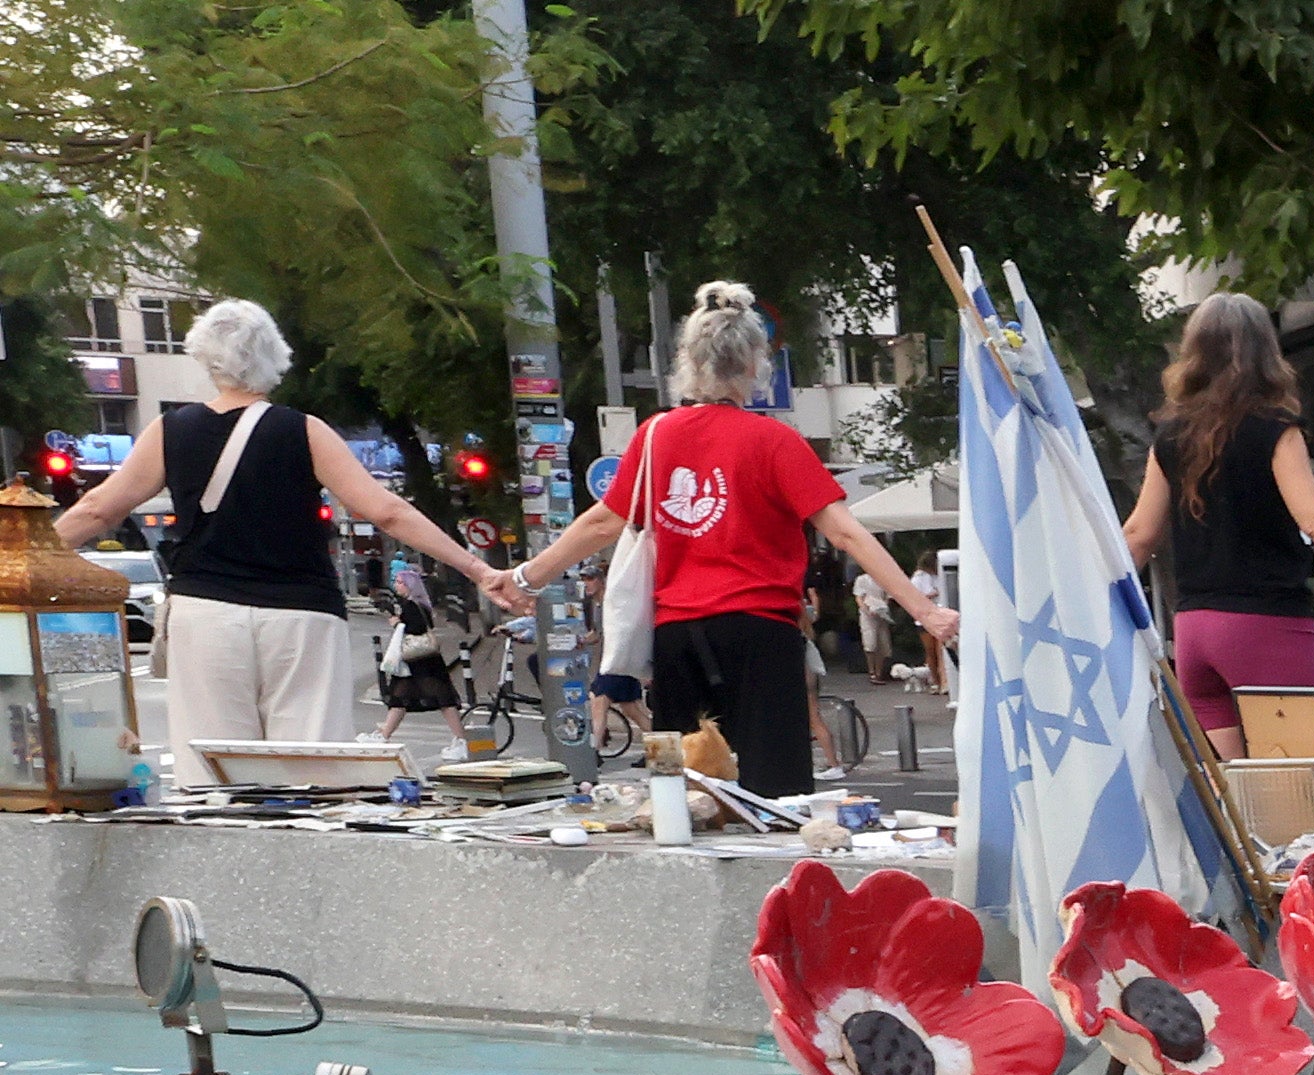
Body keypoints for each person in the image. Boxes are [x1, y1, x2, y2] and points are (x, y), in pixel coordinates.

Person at [56, 300, 529, 788]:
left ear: (204, 357)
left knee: (213, 774)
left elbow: (99, 510)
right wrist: (479, 571)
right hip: (302, 615)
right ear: (275, 359)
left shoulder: (170, 431)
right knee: (313, 770)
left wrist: (18, 555)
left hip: (207, 612)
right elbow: (387, 511)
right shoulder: (304, 430)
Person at [518, 287, 956, 796]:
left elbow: (601, 524)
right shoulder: (776, 441)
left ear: (687, 362)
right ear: (755, 364)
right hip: (760, 635)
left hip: (677, 636)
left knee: (685, 795)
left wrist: (526, 577)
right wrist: (925, 612)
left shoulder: (654, 437)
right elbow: (843, 531)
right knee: (775, 792)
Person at [1126, 294, 1314, 740]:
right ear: (1267, 352)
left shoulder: (1171, 435)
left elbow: (1139, 534)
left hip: (1194, 629)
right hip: (1266, 626)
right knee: (1291, 778)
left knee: (1227, 791)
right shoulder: (1275, 429)